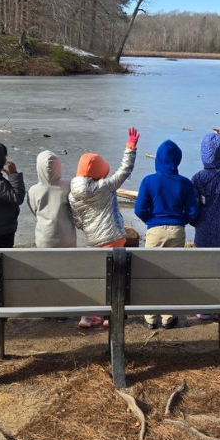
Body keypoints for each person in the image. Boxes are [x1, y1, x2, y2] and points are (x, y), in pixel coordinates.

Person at [69, 127, 139, 329]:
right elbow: (125, 170)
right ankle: (109, 316)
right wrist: (131, 147)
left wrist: (88, 230)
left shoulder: (73, 194)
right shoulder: (105, 187)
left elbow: (77, 220)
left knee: (96, 278)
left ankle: (87, 317)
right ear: (99, 172)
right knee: (115, 278)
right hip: (114, 240)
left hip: (93, 241)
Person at [134, 139, 199, 329]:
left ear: (158, 160)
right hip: (177, 231)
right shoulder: (185, 183)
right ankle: (168, 316)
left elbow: (139, 209)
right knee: (172, 273)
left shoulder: (149, 181)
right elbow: (194, 212)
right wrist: (182, 220)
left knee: (151, 272)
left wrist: (150, 220)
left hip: (154, 231)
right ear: (177, 160)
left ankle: (150, 317)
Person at [27, 150, 77, 249]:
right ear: (59, 167)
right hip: (67, 238)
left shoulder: (33, 190)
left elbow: (34, 211)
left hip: (44, 239)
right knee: (69, 263)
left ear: (38, 168)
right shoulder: (69, 186)